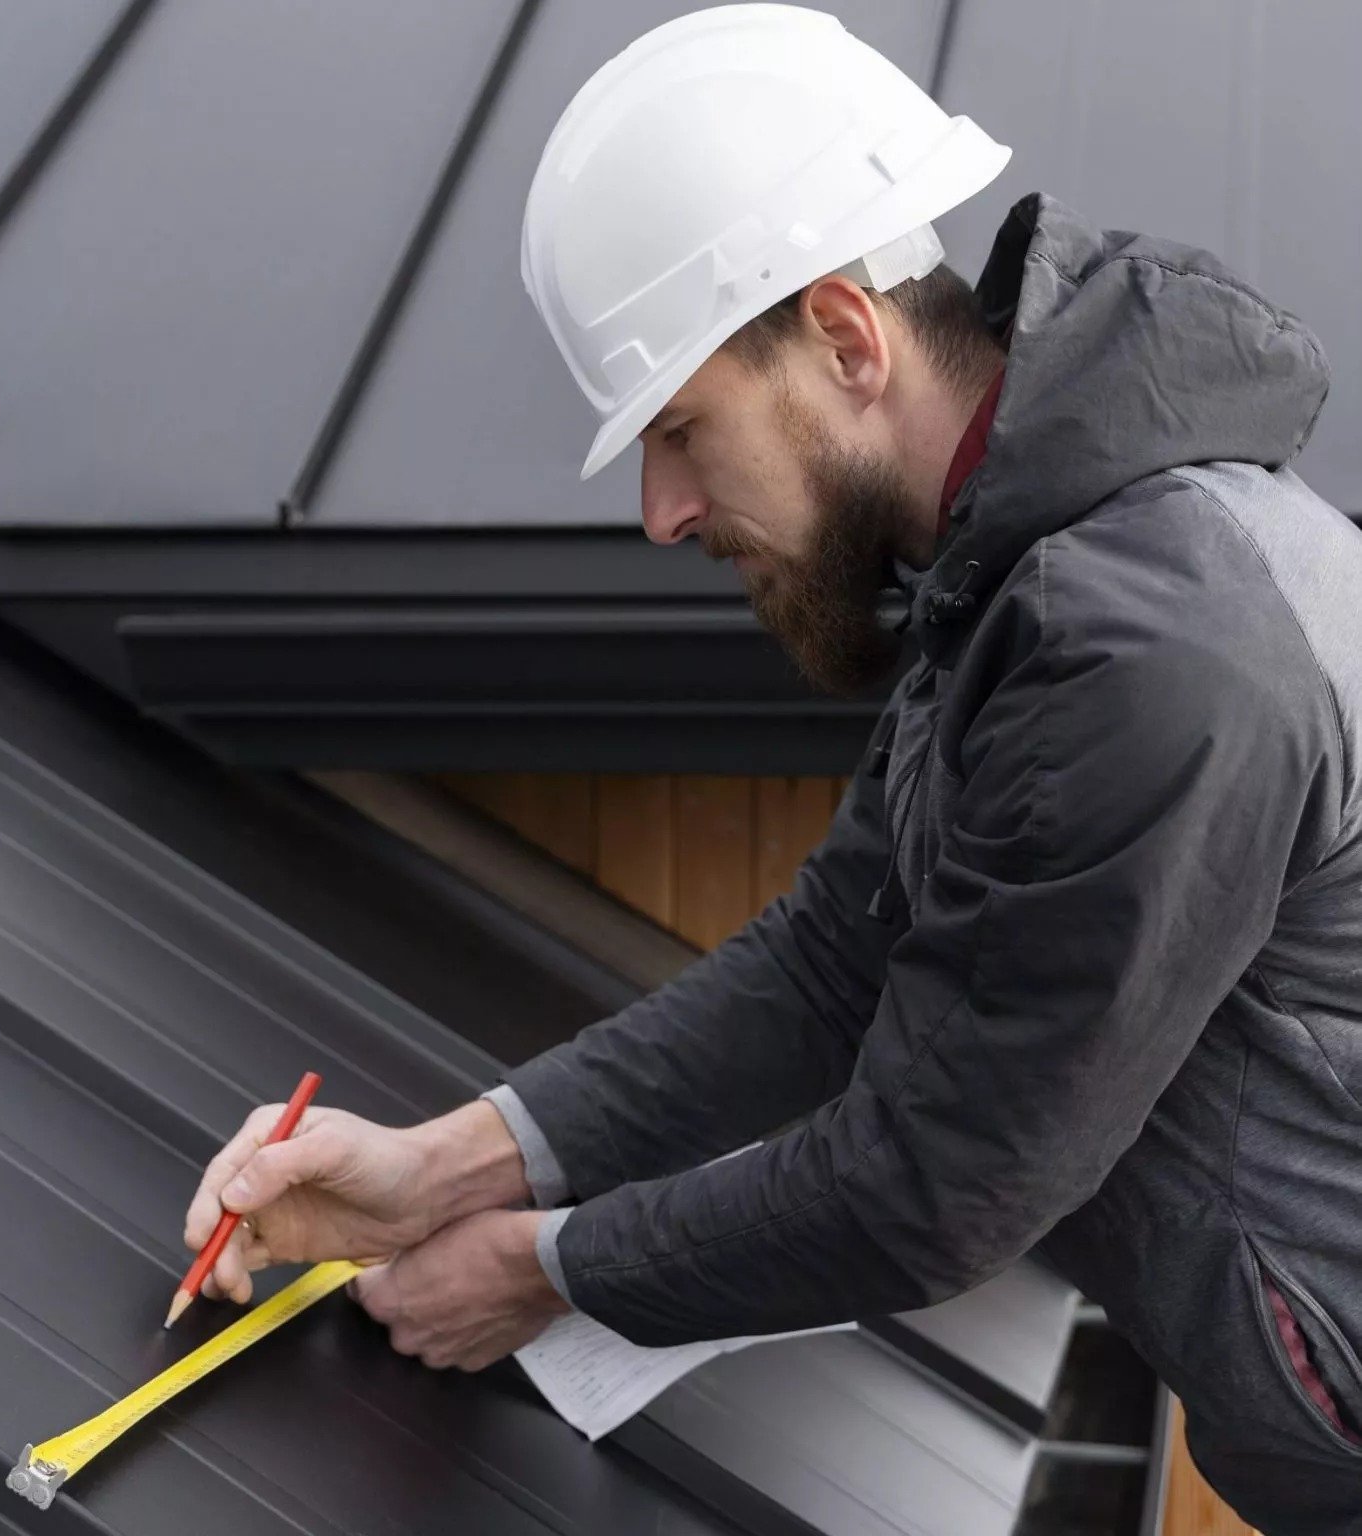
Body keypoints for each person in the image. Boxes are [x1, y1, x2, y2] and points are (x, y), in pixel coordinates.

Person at [184, 8, 1362, 1529]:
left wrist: (541, 1271)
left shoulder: (1150, 648)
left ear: (843, 338)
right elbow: (830, 964)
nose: (662, 512)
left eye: (682, 430)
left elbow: (938, 1184)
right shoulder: (1030, 563)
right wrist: (445, 1167)